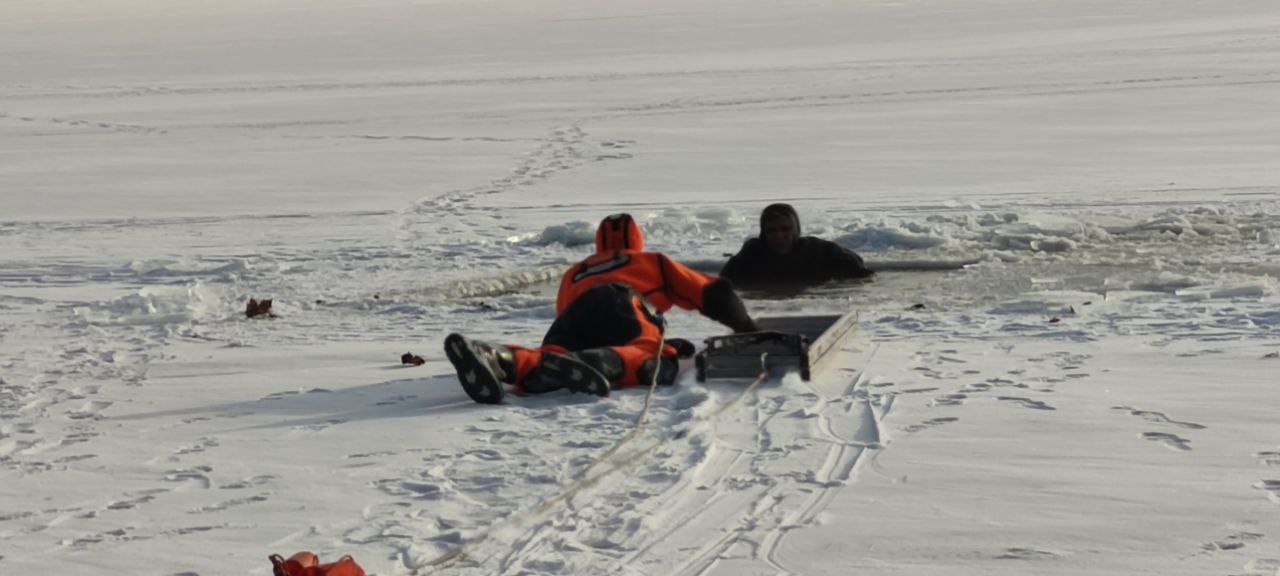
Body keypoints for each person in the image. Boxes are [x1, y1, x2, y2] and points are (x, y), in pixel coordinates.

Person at [444, 213, 760, 404]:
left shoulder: (576, 271)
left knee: (550, 352)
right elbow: (712, 293)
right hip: (622, 301)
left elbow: (564, 313)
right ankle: (595, 363)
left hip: (575, 311)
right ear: (637, 240)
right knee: (651, 356)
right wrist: (747, 327)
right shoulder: (651, 261)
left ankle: (499, 357)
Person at [719, 203, 873, 289]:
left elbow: (858, 267)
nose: (779, 236)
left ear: (796, 230)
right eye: (772, 231)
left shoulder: (816, 250)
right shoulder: (751, 254)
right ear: (763, 233)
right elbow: (723, 283)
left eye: (785, 229)